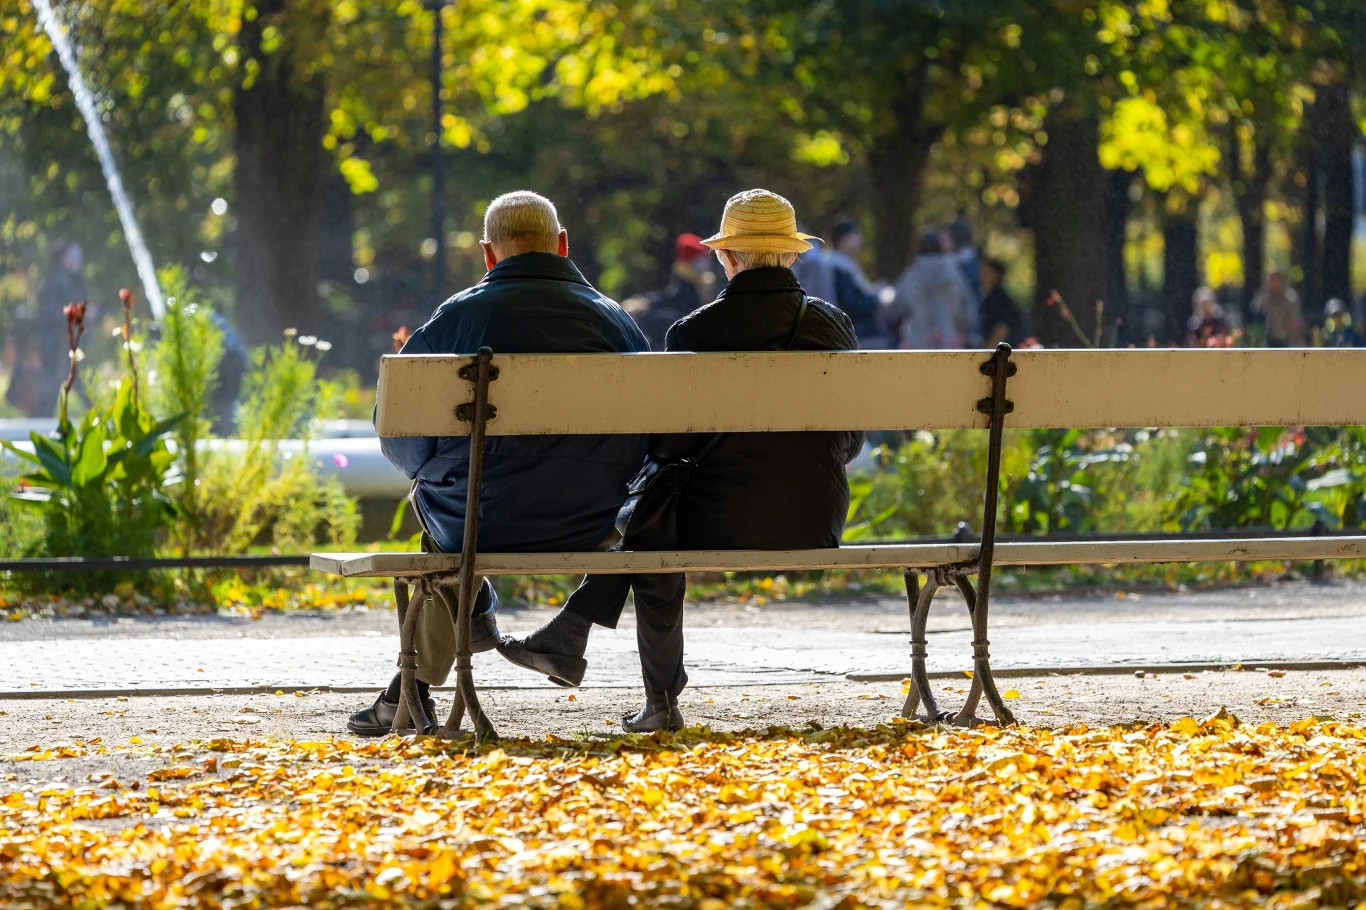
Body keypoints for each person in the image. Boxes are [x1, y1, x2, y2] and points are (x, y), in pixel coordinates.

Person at [498, 189, 863, 732]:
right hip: (816, 516)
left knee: (654, 520)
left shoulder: (693, 333)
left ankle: (652, 693)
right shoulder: (832, 326)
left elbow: (667, 448)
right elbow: (850, 442)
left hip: (716, 519)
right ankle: (569, 635)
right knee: (656, 517)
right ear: (792, 255)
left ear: (727, 257)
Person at [348, 191, 650, 735]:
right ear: (561, 246)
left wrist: (431, 473)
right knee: (447, 513)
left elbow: (400, 439)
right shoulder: (615, 323)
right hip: (588, 521)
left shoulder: (456, 320)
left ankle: (418, 684)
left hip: (475, 522)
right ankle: (453, 642)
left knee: (440, 524)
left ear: (488, 254)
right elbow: (644, 441)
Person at [5, 241, 86, 417]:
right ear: (63, 258)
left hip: (65, 344)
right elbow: (50, 313)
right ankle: (39, 425)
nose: (77, 260)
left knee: (71, 382)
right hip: (55, 345)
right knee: (55, 384)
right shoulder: (57, 281)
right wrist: (74, 315)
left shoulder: (73, 279)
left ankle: (40, 422)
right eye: (73, 256)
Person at [623, 233, 717, 348]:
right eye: (700, 260)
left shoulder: (698, 287)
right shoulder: (688, 292)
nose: (707, 265)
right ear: (687, 265)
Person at [887, 230, 976, 349]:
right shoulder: (955, 275)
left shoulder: (910, 275)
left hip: (917, 342)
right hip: (949, 341)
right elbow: (967, 312)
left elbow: (896, 307)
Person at [824, 217, 886, 347]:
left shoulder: (844, 264)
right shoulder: (838, 267)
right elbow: (852, 303)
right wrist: (875, 298)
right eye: (855, 234)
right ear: (843, 240)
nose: (860, 239)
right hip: (855, 333)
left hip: (855, 332)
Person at [1250, 268, 1305, 347]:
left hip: (1288, 339)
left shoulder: (1290, 297)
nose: (1274, 283)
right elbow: (1255, 311)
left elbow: (1295, 319)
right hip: (1269, 339)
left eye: (1276, 280)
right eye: (1271, 280)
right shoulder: (1264, 296)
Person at [979, 256, 1025, 347]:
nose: (982, 275)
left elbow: (1001, 330)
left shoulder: (999, 299)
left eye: (986, 272)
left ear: (995, 275)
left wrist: (986, 355)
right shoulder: (988, 297)